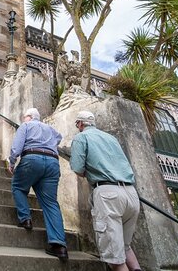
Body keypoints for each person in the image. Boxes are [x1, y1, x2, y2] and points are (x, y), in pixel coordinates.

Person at [69, 110, 142, 271]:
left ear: (80, 124)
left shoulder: (81, 137)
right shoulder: (111, 138)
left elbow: (78, 168)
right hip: (130, 193)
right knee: (125, 246)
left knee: (115, 258)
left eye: (77, 124)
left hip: (108, 193)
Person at [8, 107, 68, 261]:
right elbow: (59, 138)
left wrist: (12, 162)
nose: (23, 119)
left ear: (28, 117)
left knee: (18, 187)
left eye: (24, 117)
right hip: (52, 162)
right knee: (50, 203)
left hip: (32, 158)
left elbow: (17, 146)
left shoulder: (26, 126)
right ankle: (59, 246)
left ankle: (25, 218)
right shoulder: (50, 129)